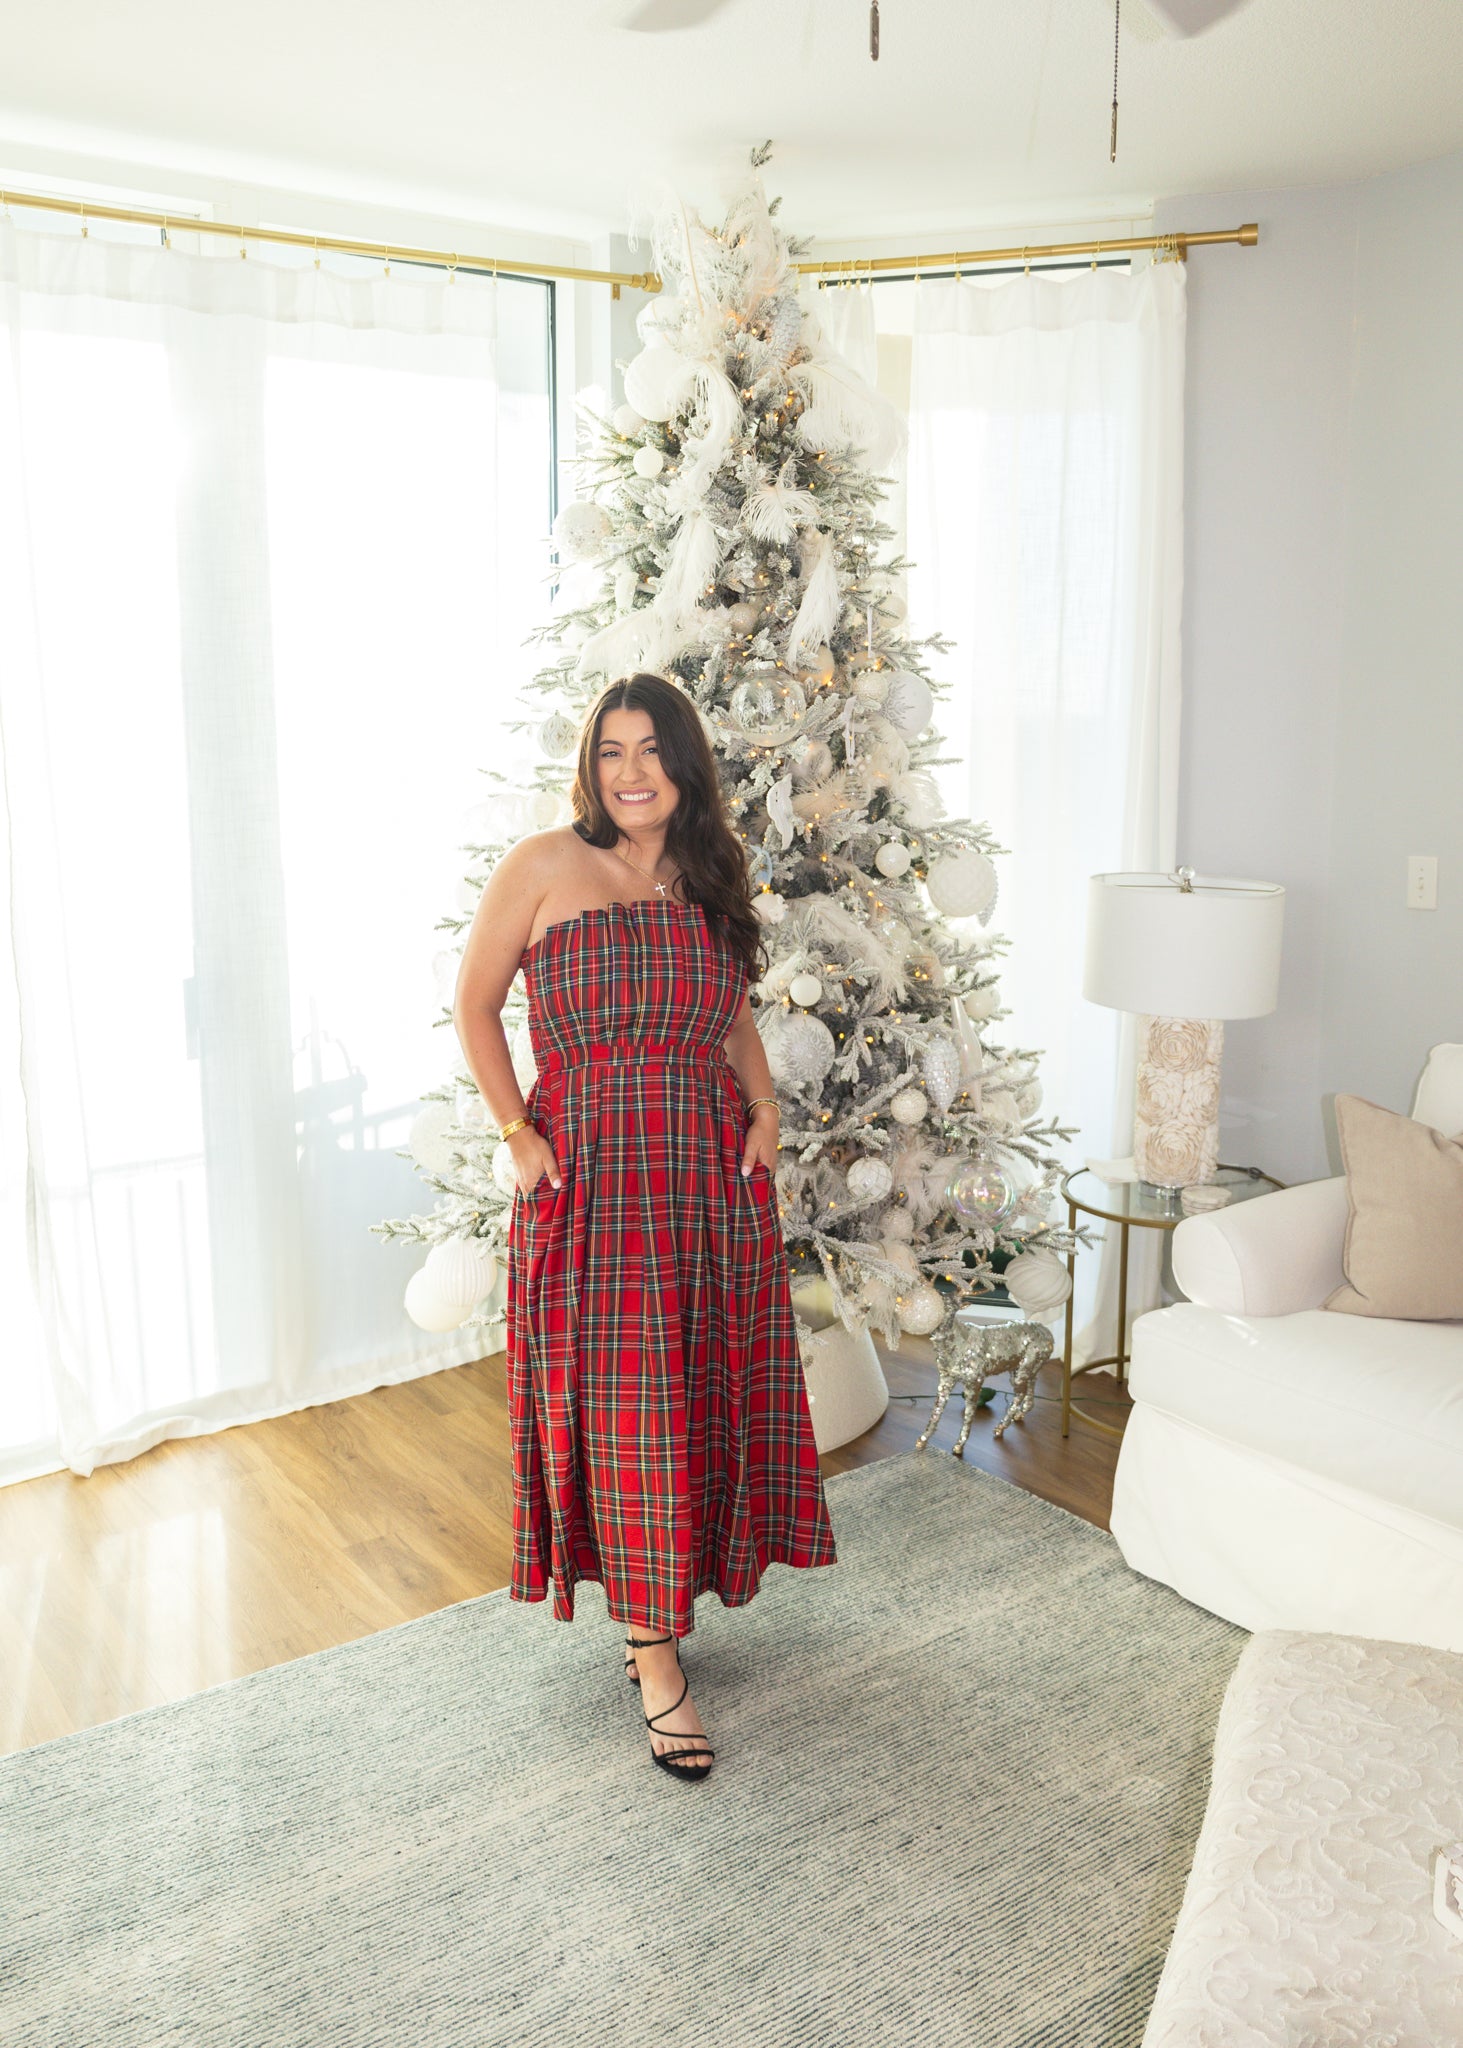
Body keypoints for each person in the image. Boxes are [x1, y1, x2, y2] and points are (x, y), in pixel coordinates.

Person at [453, 672, 838, 1784]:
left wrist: (764, 1107)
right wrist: (518, 1130)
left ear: (683, 765)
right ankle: (656, 1658)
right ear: (591, 765)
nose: (629, 772)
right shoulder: (540, 866)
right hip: (588, 1184)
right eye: (610, 751)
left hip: (702, 1179)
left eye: (649, 751)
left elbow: (730, 1016)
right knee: (622, 1406)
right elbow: (474, 1003)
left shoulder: (705, 878)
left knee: (689, 1393)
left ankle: (659, 1606)